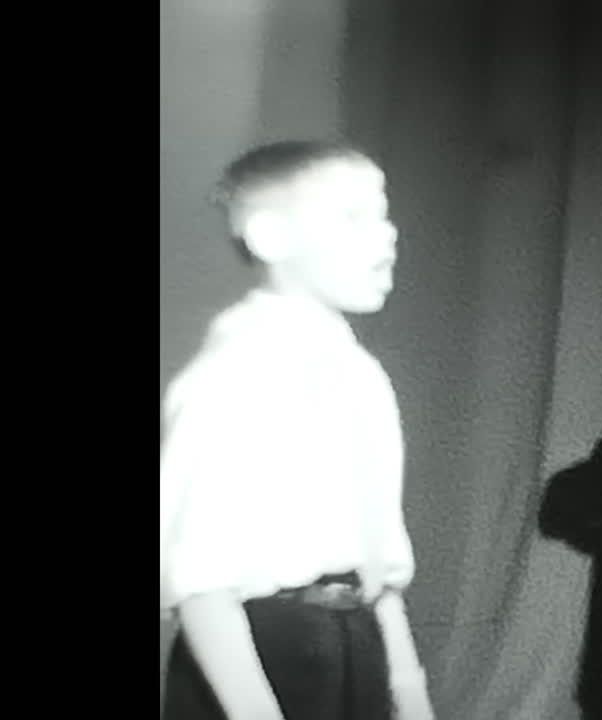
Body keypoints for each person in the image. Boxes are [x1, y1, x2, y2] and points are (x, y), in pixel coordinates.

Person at [160, 140, 435, 720]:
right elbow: (201, 584)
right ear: (269, 238)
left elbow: (377, 558)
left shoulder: (361, 376)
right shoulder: (231, 375)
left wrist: (408, 690)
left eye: (384, 213)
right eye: (353, 216)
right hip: (263, 658)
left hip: (355, 649)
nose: (387, 234)